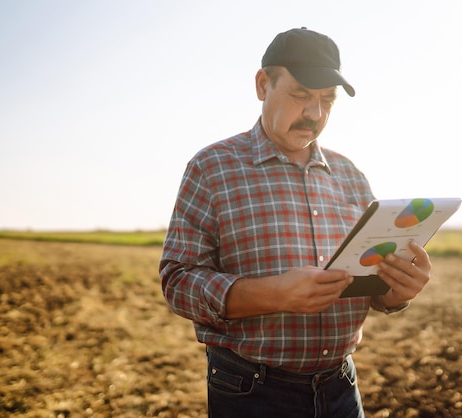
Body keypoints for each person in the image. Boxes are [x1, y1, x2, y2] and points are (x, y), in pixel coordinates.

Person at [159, 27, 432, 418]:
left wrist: (396, 292)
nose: (314, 113)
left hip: (341, 387)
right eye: (301, 95)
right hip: (251, 391)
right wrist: (275, 294)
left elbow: (370, 286)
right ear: (262, 84)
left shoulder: (349, 174)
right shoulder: (211, 167)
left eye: (326, 100)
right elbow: (177, 281)